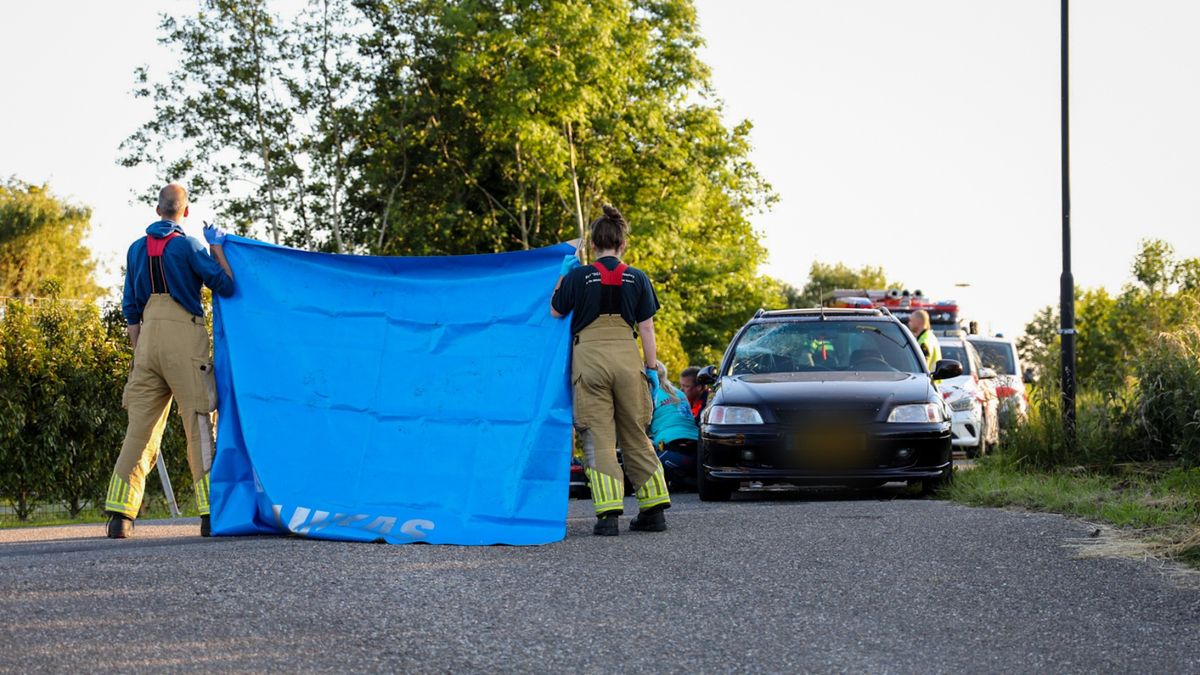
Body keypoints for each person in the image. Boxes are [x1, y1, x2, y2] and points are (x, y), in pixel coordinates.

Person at [104, 184, 235, 539]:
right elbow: (225, 285)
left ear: (157, 208)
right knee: (199, 426)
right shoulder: (189, 246)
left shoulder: (135, 250)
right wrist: (217, 247)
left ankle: (120, 515)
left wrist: (140, 353)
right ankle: (210, 515)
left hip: (147, 341)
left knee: (140, 429)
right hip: (185, 341)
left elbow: (130, 309)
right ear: (186, 212)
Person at [550, 204, 670, 536]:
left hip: (589, 360)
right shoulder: (638, 277)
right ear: (622, 244)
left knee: (598, 437)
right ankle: (654, 510)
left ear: (594, 243)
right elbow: (646, 329)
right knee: (635, 433)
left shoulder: (578, 276)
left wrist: (563, 274)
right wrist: (650, 371)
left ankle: (608, 517)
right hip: (628, 359)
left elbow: (555, 311)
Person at [648, 361, 700, 489]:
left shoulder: (649, 396)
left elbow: (639, 426)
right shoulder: (680, 393)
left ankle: (677, 478)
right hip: (697, 450)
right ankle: (682, 479)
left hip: (670, 454)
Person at [908, 309, 942, 373]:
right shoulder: (930, 336)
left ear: (918, 322)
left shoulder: (924, 342)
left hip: (925, 380)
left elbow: (921, 367)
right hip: (931, 380)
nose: (909, 323)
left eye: (911, 321)